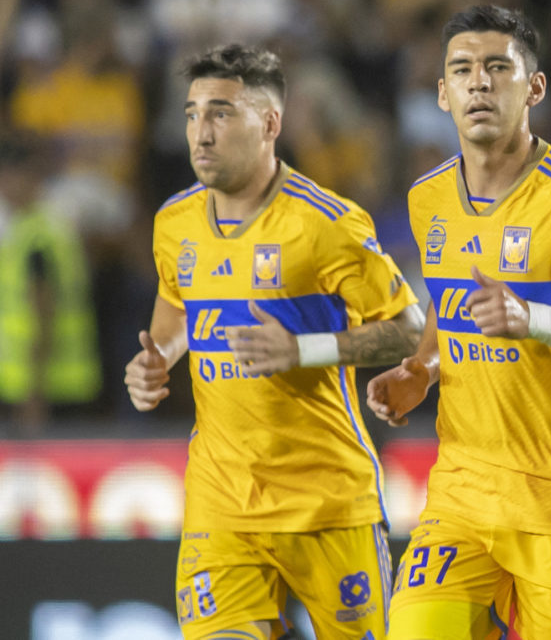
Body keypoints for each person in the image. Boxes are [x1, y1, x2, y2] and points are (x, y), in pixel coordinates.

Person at [365, 4, 551, 640]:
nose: (479, 82)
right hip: (461, 497)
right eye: (463, 70)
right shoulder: (428, 199)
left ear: (533, 88)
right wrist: (422, 367)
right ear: (441, 93)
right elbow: (451, 306)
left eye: (497, 67)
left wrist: (536, 318)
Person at [123, 44, 425, 640]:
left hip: (327, 502)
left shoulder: (325, 223)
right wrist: (156, 361)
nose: (200, 133)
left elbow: (409, 328)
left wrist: (303, 349)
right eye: (191, 114)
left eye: (221, 113)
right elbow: (177, 308)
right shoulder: (174, 223)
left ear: (270, 123)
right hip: (223, 499)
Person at [0, 131, 99, 434]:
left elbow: (44, 313)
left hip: (44, 389)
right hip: (63, 382)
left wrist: (34, 391)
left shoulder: (37, 238)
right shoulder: (50, 226)